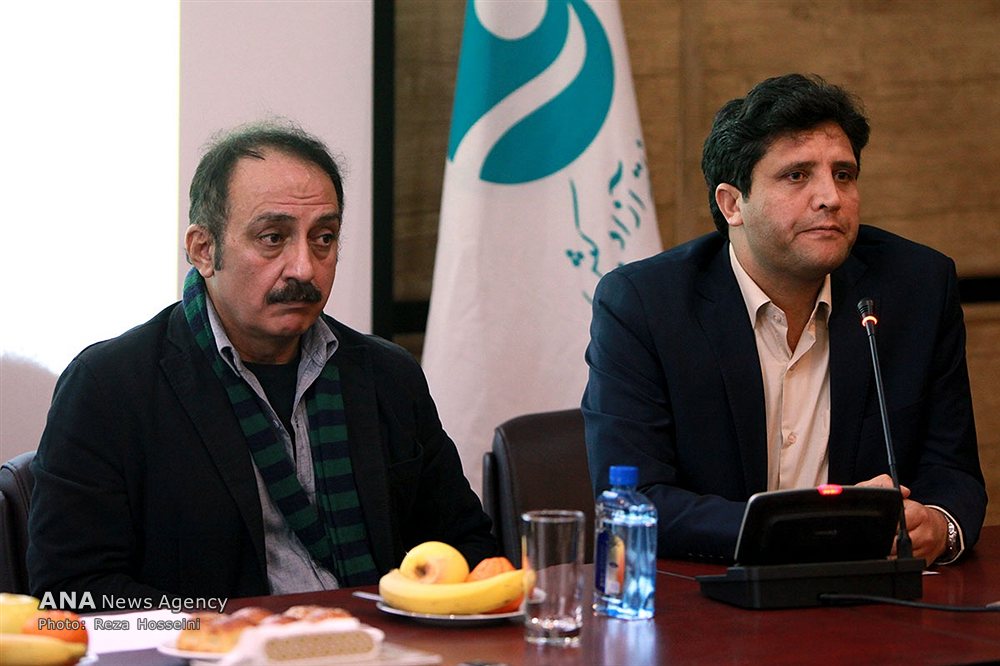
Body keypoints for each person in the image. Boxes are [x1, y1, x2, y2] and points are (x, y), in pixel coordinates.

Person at [28, 121, 495, 609]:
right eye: (273, 238)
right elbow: (70, 593)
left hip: (381, 639)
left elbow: (468, 545)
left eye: (324, 238)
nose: (304, 268)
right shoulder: (110, 387)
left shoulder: (386, 375)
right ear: (204, 250)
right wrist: (222, 630)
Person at [583, 74, 986, 566]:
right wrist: (811, 530)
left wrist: (939, 527)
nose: (831, 197)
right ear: (733, 204)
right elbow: (636, 499)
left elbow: (953, 472)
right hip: (713, 594)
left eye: (844, 174)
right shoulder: (645, 305)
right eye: (797, 175)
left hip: (871, 592)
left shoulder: (917, 287)